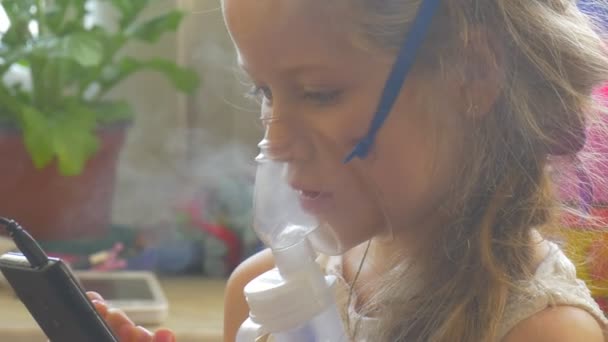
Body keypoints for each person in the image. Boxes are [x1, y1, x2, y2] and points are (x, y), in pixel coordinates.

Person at [91, 0, 608, 341]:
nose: (276, 140)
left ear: (471, 75)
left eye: (319, 93)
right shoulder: (262, 297)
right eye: (264, 92)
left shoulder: (543, 332)